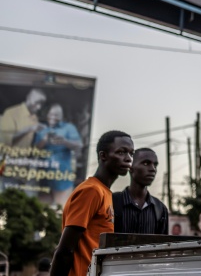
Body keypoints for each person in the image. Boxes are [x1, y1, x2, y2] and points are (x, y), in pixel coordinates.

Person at [50, 131, 133, 276]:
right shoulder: (91, 191)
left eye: (131, 153)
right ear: (103, 155)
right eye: (121, 152)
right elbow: (64, 251)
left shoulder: (105, 193)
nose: (128, 159)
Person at [34, 104, 84, 205]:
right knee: (40, 210)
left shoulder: (69, 128)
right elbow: (35, 149)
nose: (53, 117)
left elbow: (79, 145)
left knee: (62, 211)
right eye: (51, 114)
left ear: (61, 116)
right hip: (44, 177)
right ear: (47, 115)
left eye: (56, 115)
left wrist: (64, 141)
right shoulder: (42, 129)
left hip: (62, 177)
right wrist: (44, 139)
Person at [113, 148, 170, 235]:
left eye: (155, 165)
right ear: (131, 167)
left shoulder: (160, 209)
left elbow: (163, 246)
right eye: (146, 163)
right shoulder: (112, 202)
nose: (153, 169)